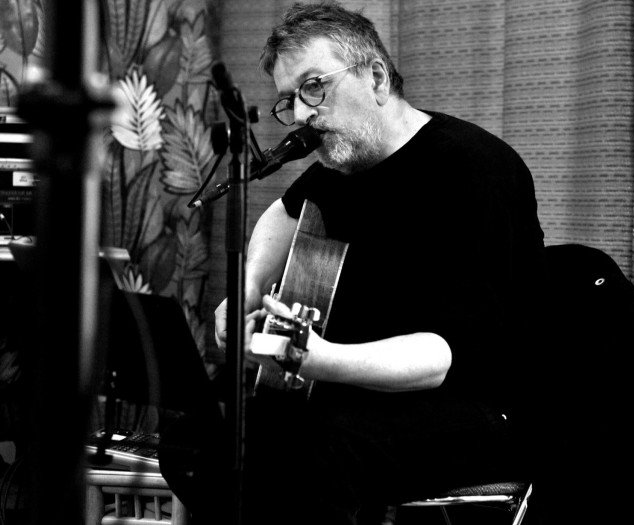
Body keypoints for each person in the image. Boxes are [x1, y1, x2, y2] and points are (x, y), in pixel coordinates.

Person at [206, 2, 547, 524]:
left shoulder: (474, 169)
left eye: (313, 87)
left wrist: (320, 359)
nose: (301, 114)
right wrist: (249, 286)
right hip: (360, 391)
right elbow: (283, 212)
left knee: (311, 454)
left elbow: (448, 353)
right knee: (204, 435)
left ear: (377, 78)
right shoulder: (345, 163)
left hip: (473, 402)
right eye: (289, 100)